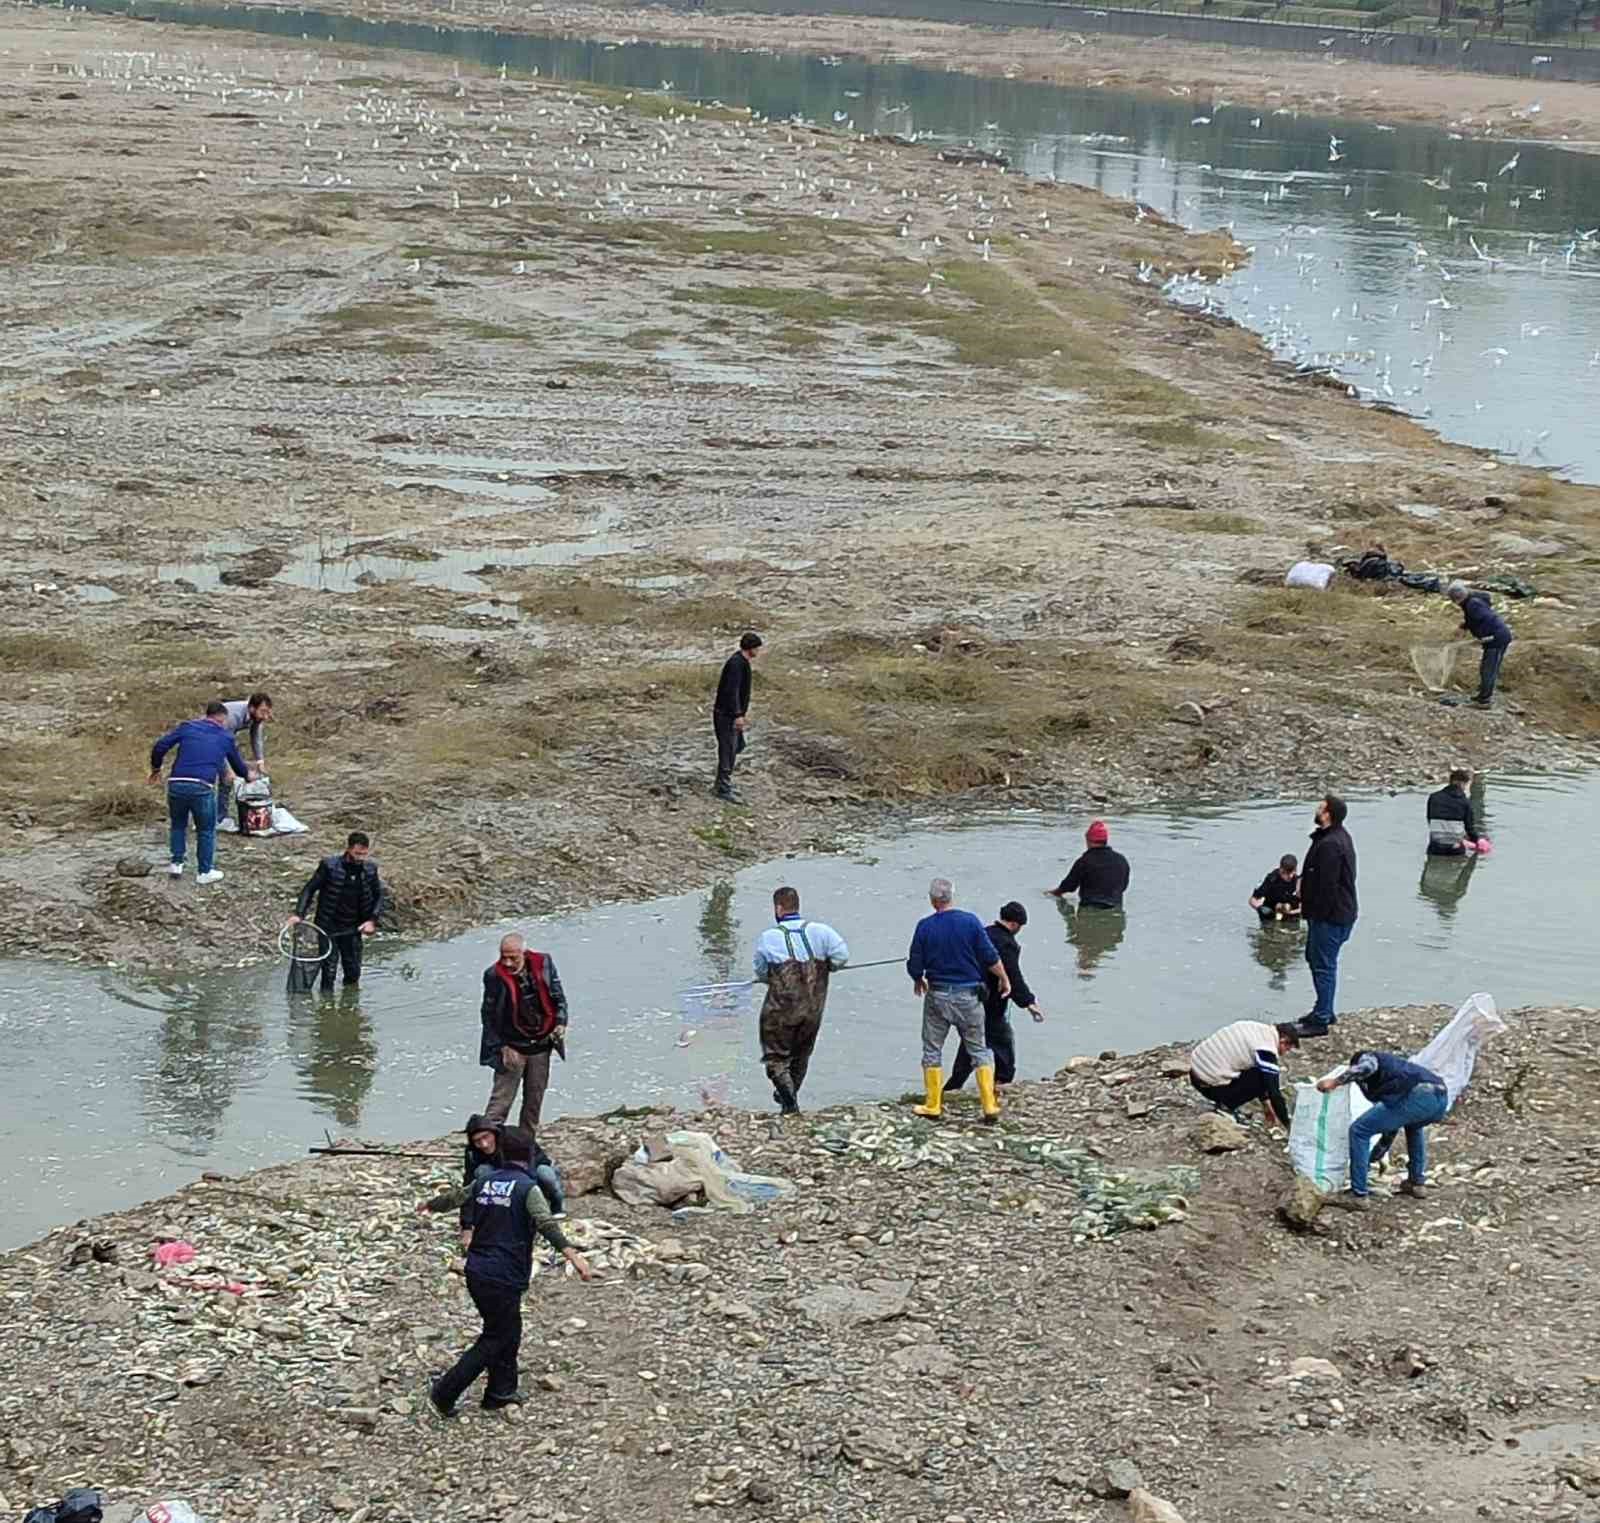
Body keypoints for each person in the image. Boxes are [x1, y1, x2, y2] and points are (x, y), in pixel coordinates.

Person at [430, 1127, 591, 1417]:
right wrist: (573, 1255)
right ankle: (445, 1391)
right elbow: (546, 1223)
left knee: (510, 1330)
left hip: (478, 1271)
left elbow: (456, 1198)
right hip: (503, 1275)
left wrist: (430, 1205)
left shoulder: (485, 1182)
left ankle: (499, 1391)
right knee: (496, 1336)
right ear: (528, 1156)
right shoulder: (527, 1188)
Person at [906, 877, 1009, 1123]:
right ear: (952, 896)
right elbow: (989, 955)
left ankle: (933, 1104)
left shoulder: (924, 926)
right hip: (969, 996)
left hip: (938, 995)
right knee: (978, 1048)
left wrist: (917, 978)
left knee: (932, 1049)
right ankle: (989, 1105)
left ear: (932, 900)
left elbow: (915, 963)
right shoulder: (971, 922)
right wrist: (1004, 978)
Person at [752, 886, 849, 1115]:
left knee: (775, 1057)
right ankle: (789, 1094)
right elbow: (842, 957)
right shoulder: (822, 932)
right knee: (801, 1055)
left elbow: (760, 971)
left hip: (780, 1010)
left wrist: (771, 979)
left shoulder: (769, 938)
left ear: (778, 908)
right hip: (813, 1009)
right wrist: (827, 967)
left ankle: (789, 1103)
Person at [1316, 1051, 1449, 1208]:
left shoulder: (1368, 1058)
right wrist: (1375, 1156)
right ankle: (1416, 1183)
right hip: (1439, 1098)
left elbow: (1366, 1067)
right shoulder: (1391, 1080)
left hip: (1419, 1095)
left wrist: (1335, 1082)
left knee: (1359, 1131)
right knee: (1413, 1127)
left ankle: (1358, 1195)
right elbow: (1390, 1127)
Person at [148, 700, 260, 884]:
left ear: (206, 715)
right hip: (202, 786)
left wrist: (156, 768)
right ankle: (204, 871)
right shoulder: (225, 737)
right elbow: (238, 767)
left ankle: (176, 863)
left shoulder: (187, 727)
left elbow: (160, 746)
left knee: (178, 824)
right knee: (206, 829)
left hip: (176, 784)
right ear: (223, 719)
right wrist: (249, 776)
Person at [949, 901, 1044, 1092]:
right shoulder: (1007, 943)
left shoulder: (983, 934)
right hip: (991, 1004)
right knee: (1003, 1042)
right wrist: (1029, 1002)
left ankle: (951, 1088)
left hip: (968, 998)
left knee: (971, 1043)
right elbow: (1012, 974)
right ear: (1015, 924)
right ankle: (1001, 1083)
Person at [480, 933, 568, 1133]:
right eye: (504, 957)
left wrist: (561, 1022)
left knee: (534, 1099)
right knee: (500, 1101)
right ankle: (486, 1141)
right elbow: (488, 1016)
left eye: (513, 958)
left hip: (541, 1043)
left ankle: (526, 1145)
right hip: (512, 1046)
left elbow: (558, 995)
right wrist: (501, 1046)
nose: (508, 963)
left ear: (524, 953)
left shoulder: (543, 963)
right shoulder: (493, 976)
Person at [286, 832, 386, 992]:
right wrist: (299, 914)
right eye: (357, 853)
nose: (360, 857)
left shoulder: (370, 869)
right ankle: (326, 1006)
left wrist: (372, 920)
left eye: (364, 854)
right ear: (348, 849)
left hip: (353, 928)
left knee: (353, 972)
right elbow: (309, 889)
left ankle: (350, 1008)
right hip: (328, 928)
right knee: (329, 972)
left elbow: (379, 895)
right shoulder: (329, 866)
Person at [1298, 796, 1357, 1036]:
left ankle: (1321, 1018)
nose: (1317, 809)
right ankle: (1324, 1009)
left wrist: (1316, 914)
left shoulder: (1331, 844)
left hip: (1330, 916)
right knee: (1317, 960)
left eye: (1321, 807)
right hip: (1334, 913)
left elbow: (1328, 886)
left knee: (1323, 965)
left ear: (1328, 814)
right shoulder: (1333, 838)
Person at [1188, 1020, 1300, 1128]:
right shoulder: (1266, 1049)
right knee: (1263, 1076)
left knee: (1260, 1071)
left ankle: (1224, 1100)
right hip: (1210, 1085)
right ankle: (1225, 1107)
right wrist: (1287, 1125)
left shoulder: (1255, 1028)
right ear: (1283, 1041)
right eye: (1287, 1049)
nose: (1284, 1053)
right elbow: (1274, 1092)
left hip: (1195, 1074)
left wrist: (1266, 1105)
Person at [460, 1114, 563, 1218]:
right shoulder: (472, 1152)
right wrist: (466, 1223)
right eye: (477, 1141)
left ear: (494, 1133)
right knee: (482, 1171)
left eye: (486, 1137)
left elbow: (529, 1171)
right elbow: (469, 1183)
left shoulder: (514, 1138)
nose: (484, 1144)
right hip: (498, 1173)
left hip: (532, 1169)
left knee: (546, 1176)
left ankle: (556, 1205)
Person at [712, 631, 763, 803]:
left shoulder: (742, 662)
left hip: (730, 714)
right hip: (726, 716)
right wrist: (738, 715)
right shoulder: (736, 664)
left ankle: (723, 783)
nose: (759, 651)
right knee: (728, 749)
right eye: (757, 648)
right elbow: (731, 691)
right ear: (752, 648)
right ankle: (722, 787)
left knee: (736, 746)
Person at [1446, 581, 1512, 708]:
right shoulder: (1472, 601)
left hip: (1497, 639)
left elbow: (1485, 619)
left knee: (1489, 669)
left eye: (1453, 599)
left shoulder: (1473, 605)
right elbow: (1474, 619)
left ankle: (1484, 700)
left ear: (1457, 598)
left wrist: (1484, 637)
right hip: (1495, 638)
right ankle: (1483, 693)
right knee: (1486, 668)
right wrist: (1464, 626)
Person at [1048, 820, 1129, 909]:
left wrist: (1053, 893)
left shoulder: (1084, 861)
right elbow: (1124, 886)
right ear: (1105, 840)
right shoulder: (1122, 860)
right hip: (1115, 908)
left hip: (1090, 907)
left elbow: (1069, 886)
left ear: (1088, 839)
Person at [216, 692, 272, 820]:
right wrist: (228, 769)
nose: (266, 716)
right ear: (252, 708)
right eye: (263, 712)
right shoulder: (232, 716)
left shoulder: (256, 717)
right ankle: (219, 818)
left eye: (268, 712)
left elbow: (256, 737)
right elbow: (221, 744)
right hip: (209, 739)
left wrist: (260, 762)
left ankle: (233, 814)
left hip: (225, 740)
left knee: (242, 771)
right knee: (225, 778)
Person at [1426, 767, 1479, 856]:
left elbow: (1429, 820)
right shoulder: (1465, 802)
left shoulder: (1433, 797)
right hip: (1455, 848)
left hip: (1435, 847)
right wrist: (1477, 841)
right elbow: (1470, 829)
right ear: (1462, 783)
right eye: (1465, 785)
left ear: (1451, 781)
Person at [1249, 854, 1302, 922]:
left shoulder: (1299, 882)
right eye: (1287, 873)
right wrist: (1259, 908)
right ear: (1281, 869)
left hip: (1291, 914)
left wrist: (1291, 913)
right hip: (1270, 914)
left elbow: (1304, 906)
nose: (1290, 876)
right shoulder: (1271, 879)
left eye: (1293, 872)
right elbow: (1252, 900)